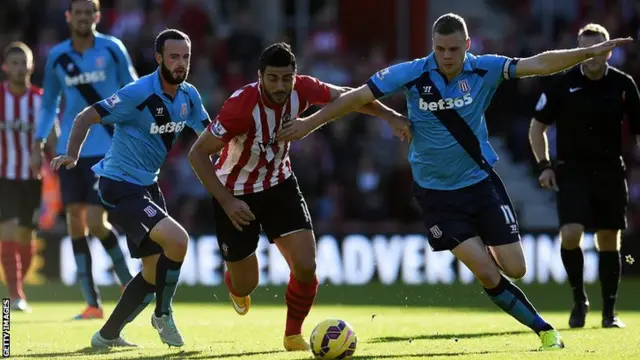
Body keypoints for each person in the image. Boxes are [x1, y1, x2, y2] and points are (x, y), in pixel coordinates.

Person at [277, 13, 633, 350]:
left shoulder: (485, 68)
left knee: (517, 268)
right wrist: (310, 124)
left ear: (467, 44)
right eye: (439, 49)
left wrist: (586, 52)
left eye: (453, 49)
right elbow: (357, 97)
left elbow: (539, 63)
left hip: (480, 183)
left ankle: (505, 277)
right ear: (433, 45)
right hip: (436, 196)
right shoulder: (413, 73)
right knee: (485, 272)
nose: (446, 56)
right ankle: (544, 330)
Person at [188, 42, 408, 351]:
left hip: (280, 184)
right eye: (273, 78)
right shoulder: (239, 108)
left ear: (295, 76)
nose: (280, 86)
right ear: (260, 76)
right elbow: (197, 154)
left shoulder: (302, 89)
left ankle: (293, 335)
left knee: (306, 265)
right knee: (245, 283)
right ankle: (235, 284)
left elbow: (350, 95)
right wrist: (227, 201)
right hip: (236, 194)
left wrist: (389, 116)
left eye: (286, 78)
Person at [50, 29, 209, 349]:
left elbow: (209, 133)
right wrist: (72, 154)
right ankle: (163, 315)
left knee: (152, 271)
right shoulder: (138, 93)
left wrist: (234, 155)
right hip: (118, 185)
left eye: (186, 57)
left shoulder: (189, 96)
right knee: (178, 241)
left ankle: (106, 335)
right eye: (174, 57)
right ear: (160, 58)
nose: (181, 63)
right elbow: (85, 116)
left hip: (147, 185)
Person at [529, 23, 640, 329]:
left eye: (597, 50)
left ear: (609, 51)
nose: (591, 56)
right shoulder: (562, 84)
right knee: (571, 233)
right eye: (584, 50)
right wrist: (545, 165)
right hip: (572, 170)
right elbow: (537, 126)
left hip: (609, 170)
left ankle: (609, 312)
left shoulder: (623, 84)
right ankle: (579, 300)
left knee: (608, 239)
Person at [31, 0, 137, 320]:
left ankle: (129, 283)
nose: (82, 17)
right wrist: (40, 138)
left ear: (97, 16)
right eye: (77, 12)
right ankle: (92, 304)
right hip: (68, 151)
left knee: (94, 221)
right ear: (68, 17)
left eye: (88, 12)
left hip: (107, 149)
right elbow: (50, 103)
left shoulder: (113, 48)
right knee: (75, 225)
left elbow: (132, 87)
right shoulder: (57, 57)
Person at [0, 42, 49, 312]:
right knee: (7, 231)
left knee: (25, 238)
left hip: (31, 178)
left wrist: (41, 148)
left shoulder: (41, 100)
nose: (20, 68)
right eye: (14, 63)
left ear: (32, 66)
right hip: (3, 176)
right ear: (5, 67)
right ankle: (14, 295)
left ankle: (18, 289)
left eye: (24, 63)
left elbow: (53, 138)